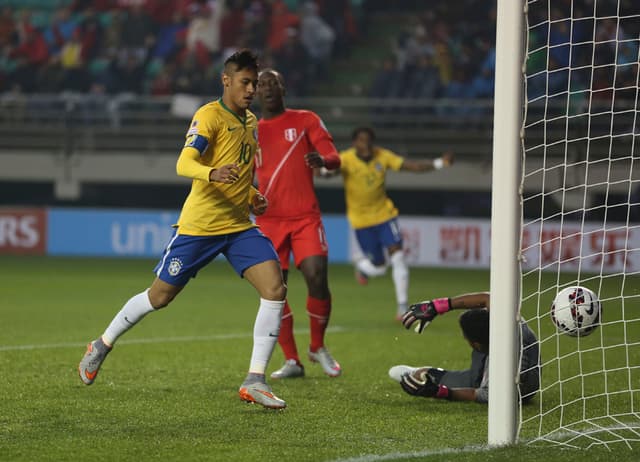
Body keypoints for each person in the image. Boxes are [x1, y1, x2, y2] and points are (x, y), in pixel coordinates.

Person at [78, 49, 288, 410]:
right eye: (245, 82)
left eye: (254, 83)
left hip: (238, 226)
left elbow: (236, 167)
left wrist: (252, 195)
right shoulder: (208, 117)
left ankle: (255, 380)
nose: (251, 89)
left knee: (275, 288)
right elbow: (185, 162)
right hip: (200, 226)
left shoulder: (250, 122)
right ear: (226, 81)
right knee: (159, 297)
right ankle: (101, 344)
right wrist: (211, 173)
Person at [253, 68, 341, 379]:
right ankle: (292, 360)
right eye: (261, 84)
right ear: (254, 92)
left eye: (273, 83)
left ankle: (317, 346)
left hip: (305, 216)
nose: (267, 89)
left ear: (283, 87)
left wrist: (324, 160)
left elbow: (333, 154)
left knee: (317, 275)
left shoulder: (305, 119)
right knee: (274, 290)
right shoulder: (251, 130)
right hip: (268, 221)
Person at [323, 127, 453, 319]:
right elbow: (328, 172)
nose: (364, 144)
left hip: (385, 216)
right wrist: (322, 170)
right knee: (379, 266)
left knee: (398, 256)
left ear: (372, 143)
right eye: (360, 140)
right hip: (361, 221)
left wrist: (439, 163)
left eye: (368, 140)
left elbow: (412, 166)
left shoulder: (382, 156)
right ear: (354, 143)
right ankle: (364, 267)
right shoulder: (346, 158)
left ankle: (402, 306)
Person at [389, 292, 540, 403]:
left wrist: (438, 392)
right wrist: (438, 306)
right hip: (515, 365)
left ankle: (426, 373)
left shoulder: (498, 372)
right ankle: (424, 373)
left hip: (518, 390)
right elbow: (487, 298)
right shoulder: (511, 323)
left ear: (476, 344)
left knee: (468, 380)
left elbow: (480, 395)